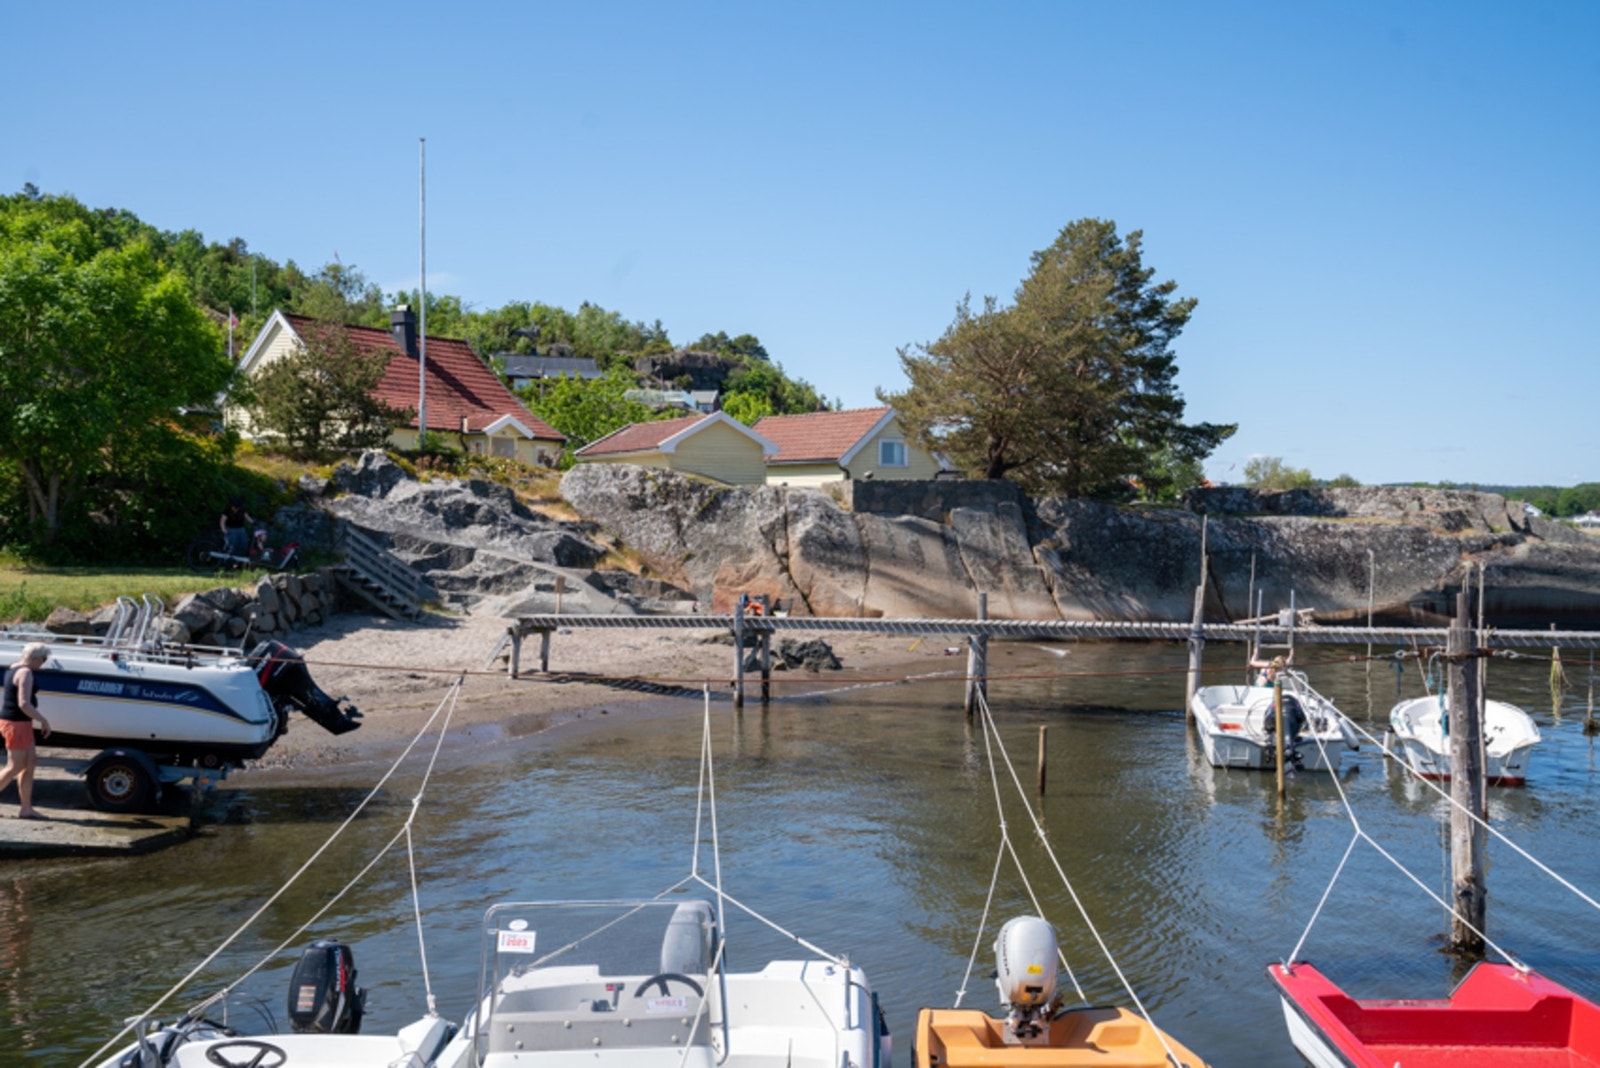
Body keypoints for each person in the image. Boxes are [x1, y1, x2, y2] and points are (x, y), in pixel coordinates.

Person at [0, 643, 52, 820]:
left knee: (29, 764)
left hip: (21, 723)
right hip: (16, 723)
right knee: (14, 766)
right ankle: (25, 808)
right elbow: (24, 703)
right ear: (36, 658)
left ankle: (26, 809)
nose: (43, 663)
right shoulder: (25, 673)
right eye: (43, 659)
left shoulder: (13, 667)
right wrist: (43, 720)